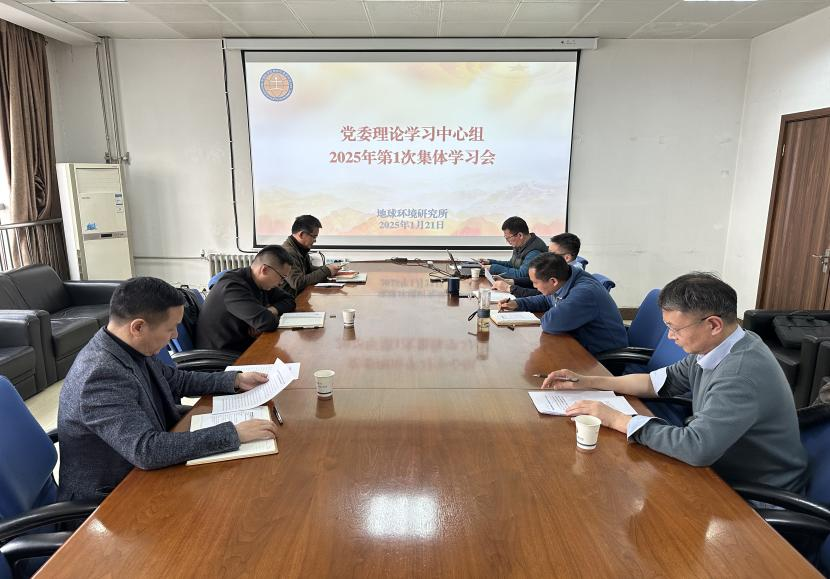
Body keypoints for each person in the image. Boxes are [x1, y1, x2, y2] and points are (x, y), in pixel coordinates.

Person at [542, 272, 808, 492]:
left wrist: (616, 419)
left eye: (675, 328)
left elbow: (696, 447)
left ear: (713, 324)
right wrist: (587, 381)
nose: (669, 337)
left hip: (756, 494)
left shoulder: (740, 374)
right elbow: (653, 383)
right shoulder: (720, 346)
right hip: (720, 466)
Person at [58, 277, 279, 502]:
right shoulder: (100, 375)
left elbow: (177, 381)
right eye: (171, 328)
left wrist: (235, 380)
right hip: (111, 496)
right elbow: (146, 450)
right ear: (138, 327)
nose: (175, 336)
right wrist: (234, 434)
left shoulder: (128, 345)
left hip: (144, 469)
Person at [498, 253, 627, 355]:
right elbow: (547, 300)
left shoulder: (584, 292)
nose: (534, 286)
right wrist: (517, 303)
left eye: (535, 282)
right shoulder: (566, 278)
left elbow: (550, 323)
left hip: (601, 359)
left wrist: (555, 311)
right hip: (581, 345)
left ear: (553, 281)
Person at [196, 245, 296, 352]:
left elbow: (290, 300)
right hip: (222, 354)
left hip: (244, 345)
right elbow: (267, 322)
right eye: (282, 277)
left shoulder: (261, 283)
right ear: (265, 270)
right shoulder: (232, 287)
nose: (281, 283)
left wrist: (271, 310)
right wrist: (264, 317)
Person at [494, 233, 587, 297]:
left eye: (552, 254)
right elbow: (539, 280)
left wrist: (509, 288)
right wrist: (511, 281)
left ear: (567, 258)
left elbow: (542, 295)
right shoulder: (561, 267)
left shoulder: (571, 276)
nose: (548, 256)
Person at [281, 214, 343, 295]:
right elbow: (297, 282)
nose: (315, 241)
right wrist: (327, 271)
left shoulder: (300, 248)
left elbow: (309, 270)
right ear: (302, 234)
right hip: (291, 299)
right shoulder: (288, 252)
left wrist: (329, 268)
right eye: (314, 237)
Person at [479, 216, 548, 279]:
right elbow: (511, 264)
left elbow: (521, 275)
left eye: (508, 238)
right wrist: (490, 262)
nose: (507, 241)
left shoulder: (534, 252)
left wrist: (493, 268)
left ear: (520, 235)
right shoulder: (521, 244)